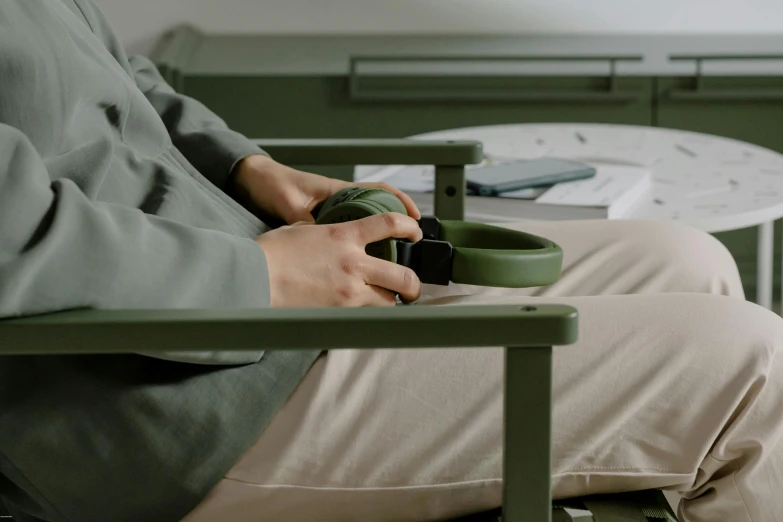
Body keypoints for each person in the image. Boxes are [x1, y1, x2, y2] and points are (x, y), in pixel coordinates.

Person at [0, 1, 781, 521]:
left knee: (688, 258)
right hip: (169, 387)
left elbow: (118, 79)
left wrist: (252, 168)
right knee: (753, 364)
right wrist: (266, 278)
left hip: (253, 272)